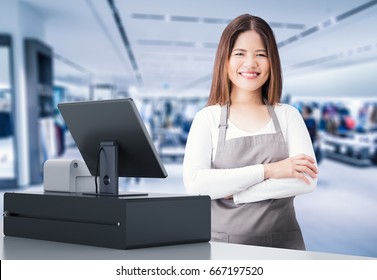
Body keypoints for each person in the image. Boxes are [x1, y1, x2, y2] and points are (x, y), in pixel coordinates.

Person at [182, 14, 318, 250]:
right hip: (222, 247)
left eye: (261, 54)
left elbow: (306, 180)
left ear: (272, 61)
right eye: (240, 53)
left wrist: (236, 194)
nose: (250, 63)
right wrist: (270, 170)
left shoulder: (288, 116)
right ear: (225, 60)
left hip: (284, 246)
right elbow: (196, 184)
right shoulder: (208, 118)